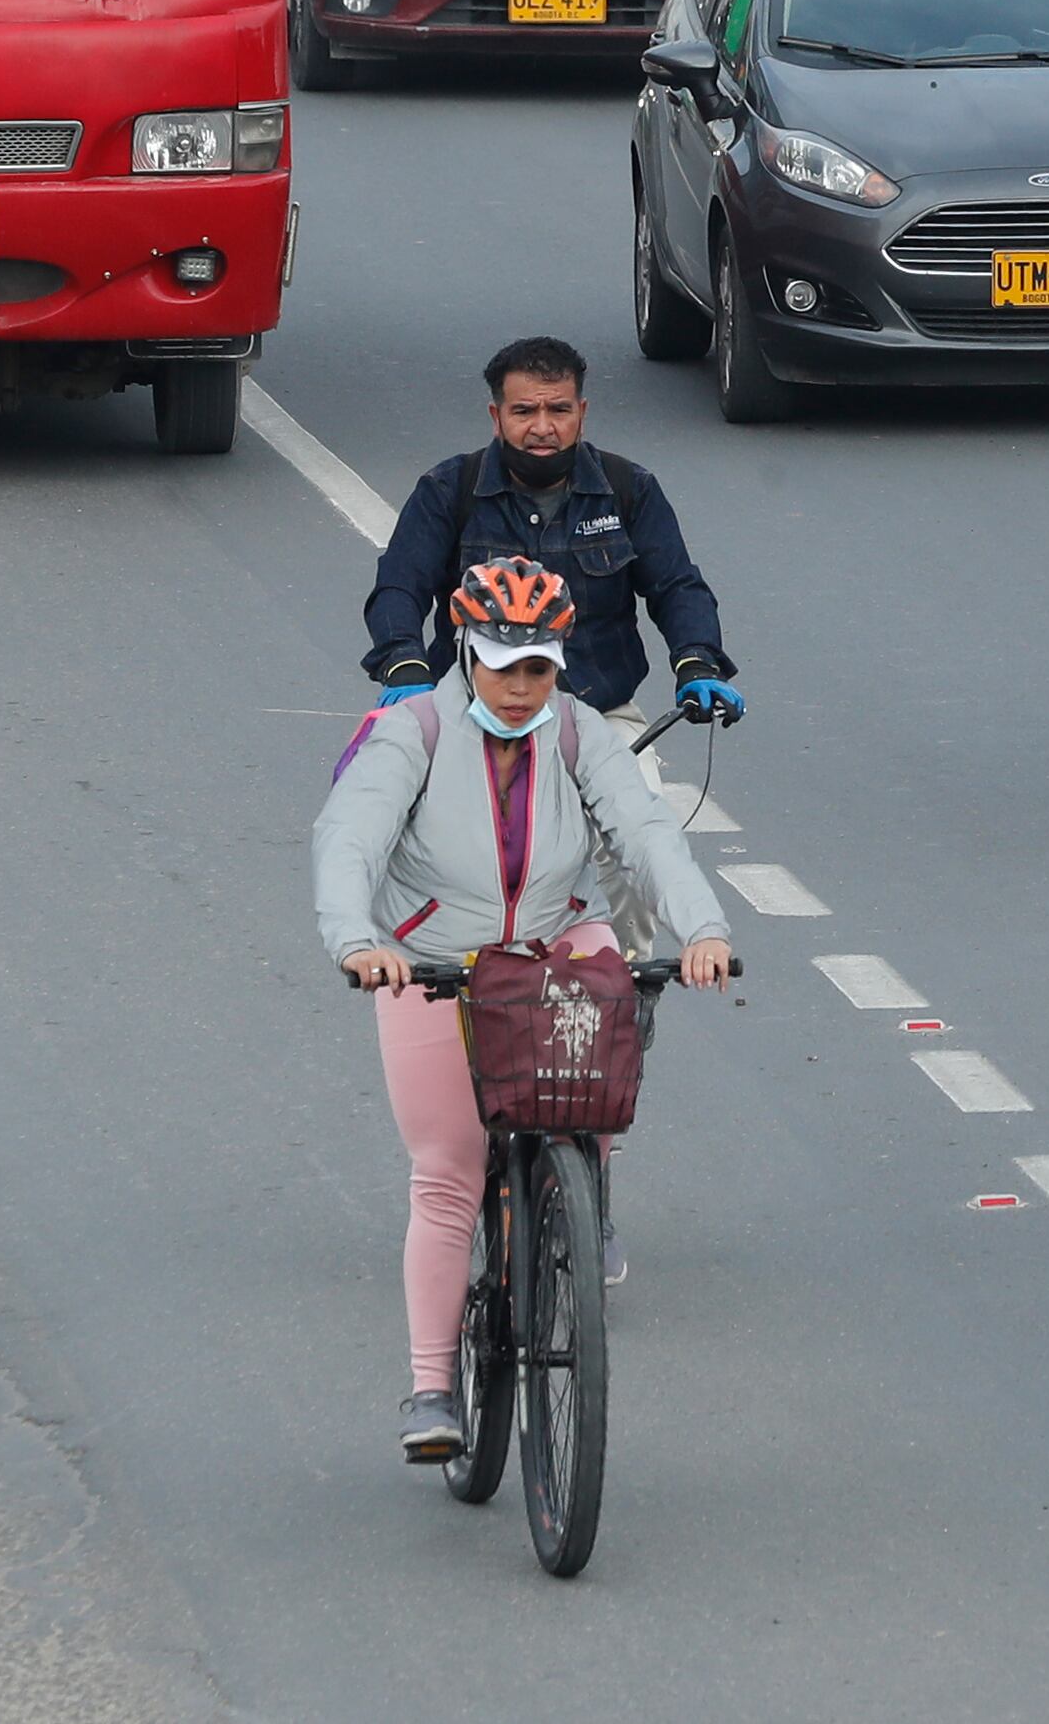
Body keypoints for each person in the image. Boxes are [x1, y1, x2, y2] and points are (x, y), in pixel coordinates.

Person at [312, 560, 735, 1459]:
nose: (519, 686)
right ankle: (432, 1389)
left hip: (553, 942)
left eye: (538, 666)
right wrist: (358, 941)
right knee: (449, 1174)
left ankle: (572, 1197)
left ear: (560, 661)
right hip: (431, 961)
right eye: (502, 664)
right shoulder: (412, 733)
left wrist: (702, 929)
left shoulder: (582, 734)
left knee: (602, 1057)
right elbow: (349, 839)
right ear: (465, 647)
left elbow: (648, 835)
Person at [363, 336, 738, 741]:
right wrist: (404, 663)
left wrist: (697, 659)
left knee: (638, 805)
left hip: (598, 717)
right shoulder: (447, 490)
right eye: (524, 411)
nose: (543, 428)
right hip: (469, 719)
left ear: (582, 413)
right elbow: (399, 586)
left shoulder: (630, 489)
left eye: (559, 410)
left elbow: (677, 586)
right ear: (497, 416)